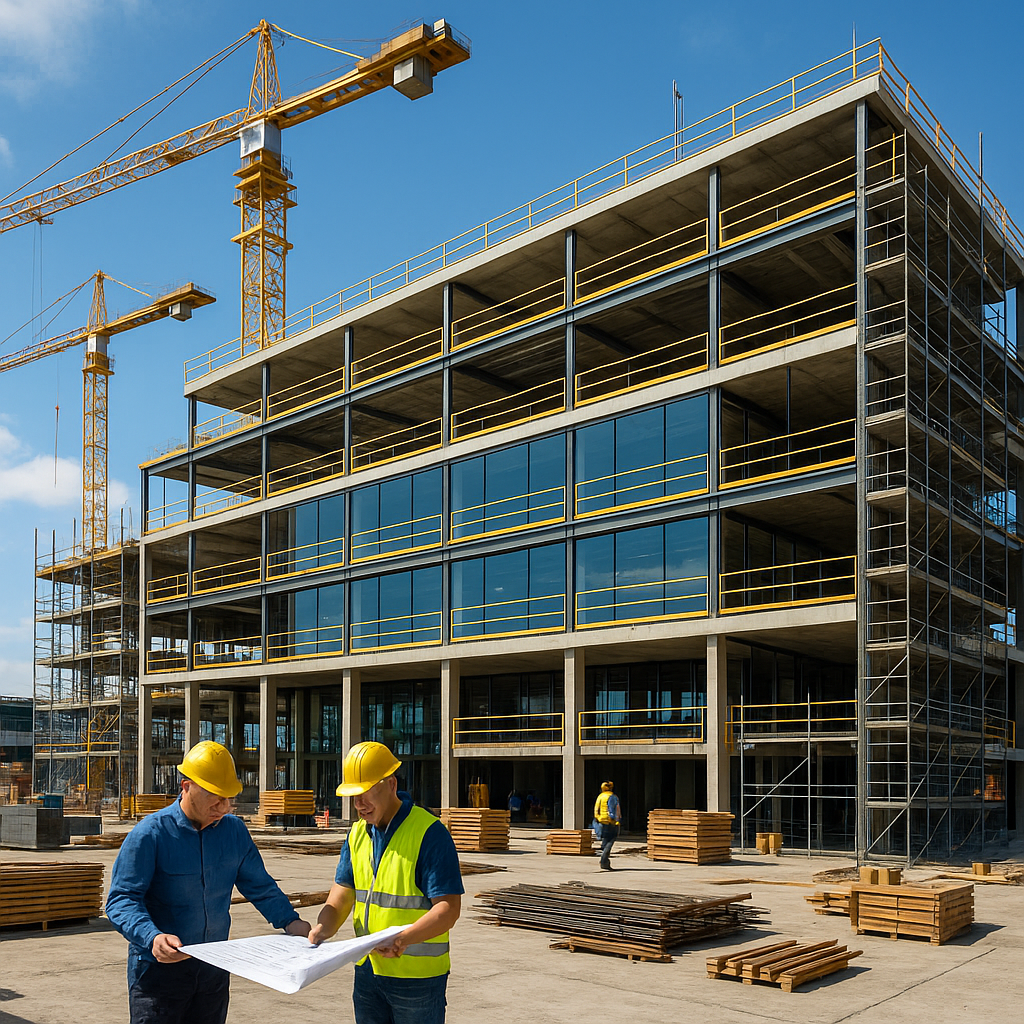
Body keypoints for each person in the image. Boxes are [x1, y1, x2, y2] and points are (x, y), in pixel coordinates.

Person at [106, 740, 311, 1024]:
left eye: (228, 799)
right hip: (159, 975)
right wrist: (152, 936)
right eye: (215, 798)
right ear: (187, 786)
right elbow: (122, 900)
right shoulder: (150, 835)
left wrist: (290, 921)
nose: (224, 807)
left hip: (213, 969)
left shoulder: (234, 832)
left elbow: (260, 886)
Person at [310, 740, 463, 1024]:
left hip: (416, 980)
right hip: (368, 972)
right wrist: (322, 928)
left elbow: (448, 909)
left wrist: (403, 939)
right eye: (353, 796)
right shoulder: (357, 834)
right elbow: (342, 894)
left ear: (391, 784)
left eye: (365, 793)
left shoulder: (429, 833)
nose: (358, 805)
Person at [593, 780, 622, 870]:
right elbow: (615, 810)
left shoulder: (600, 796)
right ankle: (604, 860)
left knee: (605, 839)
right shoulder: (613, 797)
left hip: (601, 821)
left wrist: (598, 818)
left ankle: (604, 858)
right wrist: (617, 821)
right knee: (611, 840)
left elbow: (596, 809)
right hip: (610, 822)